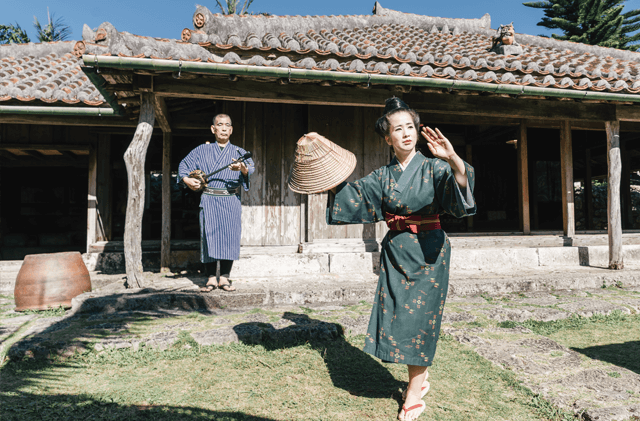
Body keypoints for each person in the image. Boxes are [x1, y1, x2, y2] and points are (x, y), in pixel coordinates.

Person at [326, 98, 475, 421]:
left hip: (429, 252)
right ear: (387, 138)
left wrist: (453, 159)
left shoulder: (435, 166)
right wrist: (329, 177)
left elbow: (460, 191)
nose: (406, 133)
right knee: (397, 315)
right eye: (398, 129)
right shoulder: (383, 176)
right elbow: (355, 197)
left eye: (410, 127)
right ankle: (418, 382)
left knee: (419, 320)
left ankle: (413, 391)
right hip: (395, 251)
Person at [178, 113, 255, 292]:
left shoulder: (239, 152)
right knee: (209, 237)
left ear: (231, 129)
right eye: (220, 125)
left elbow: (250, 169)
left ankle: (225, 278)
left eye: (227, 125)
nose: (223, 128)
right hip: (209, 198)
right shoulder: (201, 150)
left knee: (230, 237)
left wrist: (242, 168)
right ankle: (211, 277)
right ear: (213, 129)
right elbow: (183, 166)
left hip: (230, 199)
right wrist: (186, 180)